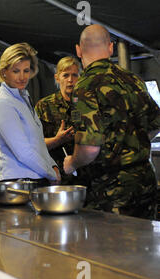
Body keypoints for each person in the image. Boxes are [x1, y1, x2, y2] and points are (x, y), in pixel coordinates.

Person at [63, 24, 160, 219]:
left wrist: (71, 163)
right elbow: (155, 123)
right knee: (144, 247)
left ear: (78, 50)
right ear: (110, 48)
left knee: (111, 249)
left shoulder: (85, 86)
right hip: (146, 182)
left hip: (111, 188)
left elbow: (89, 148)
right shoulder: (134, 80)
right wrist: (131, 144)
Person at [0, 42, 61, 186]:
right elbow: (23, 151)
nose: (22, 77)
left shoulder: (22, 98)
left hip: (35, 179)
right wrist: (51, 172)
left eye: (26, 70)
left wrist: (53, 166)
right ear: (4, 72)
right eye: (16, 71)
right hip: (19, 183)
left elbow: (38, 144)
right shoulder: (4, 103)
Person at [35, 56, 83, 184]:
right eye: (65, 75)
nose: (70, 80)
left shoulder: (87, 104)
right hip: (55, 176)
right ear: (57, 78)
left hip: (86, 177)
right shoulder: (44, 106)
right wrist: (57, 140)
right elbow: (34, 145)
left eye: (75, 75)